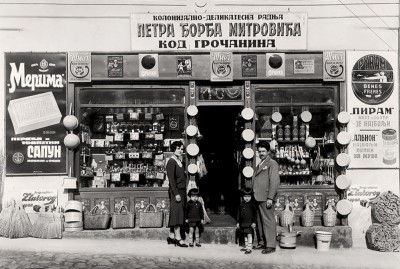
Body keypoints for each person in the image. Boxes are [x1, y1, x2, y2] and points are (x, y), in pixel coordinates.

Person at [252, 141, 280, 254]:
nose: (261, 153)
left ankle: (271, 245)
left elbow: (274, 181)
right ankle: (263, 242)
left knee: (268, 221)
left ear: (268, 151)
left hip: (265, 197)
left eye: (263, 151)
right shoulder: (260, 163)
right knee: (260, 221)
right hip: (258, 197)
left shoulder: (272, 163)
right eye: (259, 151)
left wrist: (270, 197)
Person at [166, 141, 188, 247]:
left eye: (182, 149)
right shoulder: (171, 162)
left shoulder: (179, 161)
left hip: (182, 191)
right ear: (173, 149)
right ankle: (178, 238)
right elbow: (171, 180)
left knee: (178, 213)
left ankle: (171, 236)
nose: (180, 150)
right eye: (178, 148)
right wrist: (176, 194)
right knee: (177, 215)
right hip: (177, 192)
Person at [236, 188, 257, 254]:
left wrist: (254, 222)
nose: (247, 198)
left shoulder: (252, 205)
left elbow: (255, 214)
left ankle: (249, 248)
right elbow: (239, 214)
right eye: (245, 196)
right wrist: (238, 222)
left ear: (251, 197)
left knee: (249, 235)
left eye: (248, 196)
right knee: (245, 234)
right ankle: (246, 246)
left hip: (249, 223)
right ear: (242, 197)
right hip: (243, 223)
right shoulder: (241, 205)